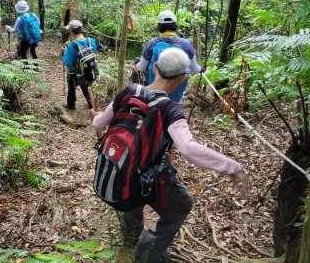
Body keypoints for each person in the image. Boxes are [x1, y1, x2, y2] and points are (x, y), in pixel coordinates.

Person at [93, 48, 248, 263]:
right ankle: (145, 255)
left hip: (121, 174)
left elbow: (98, 124)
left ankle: (129, 240)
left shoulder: (128, 92)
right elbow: (189, 148)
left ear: (154, 68)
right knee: (181, 205)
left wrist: (97, 115)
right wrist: (232, 167)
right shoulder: (171, 110)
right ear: (183, 78)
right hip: (152, 177)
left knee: (130, 202)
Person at [135, 10, 202, 102]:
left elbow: (141, 68)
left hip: (153, 95)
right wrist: (202, 69)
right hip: (176, 96)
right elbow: (195, 69)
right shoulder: (186, 44)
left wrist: (136, 62)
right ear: (175, 24)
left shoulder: (152, 43)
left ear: (159, 26)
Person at [62, 19, 97, 111]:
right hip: (89, 71)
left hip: (75, 73)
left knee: (71, 88)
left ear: (71, 31)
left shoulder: (72, 46)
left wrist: (64, 52)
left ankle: (71, 105)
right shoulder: (91, 41)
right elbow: (94, 54)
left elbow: (68, 63)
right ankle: (92, 106)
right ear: (81, 28)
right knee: (86, 88)